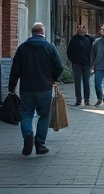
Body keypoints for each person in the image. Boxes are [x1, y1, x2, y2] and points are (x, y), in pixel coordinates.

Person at [8, 22, 63, 156]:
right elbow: (59, 67)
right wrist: (53, 80)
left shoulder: (22, 48)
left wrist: (12, 87)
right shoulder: (50, 48)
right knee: (44, 116)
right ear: (43, 34)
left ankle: (27, 135)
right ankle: (40, 145)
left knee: (26, 114)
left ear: (31, 33)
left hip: (26, 88)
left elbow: (15, 69)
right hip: (44, 88)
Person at [66, 23, 94, 107]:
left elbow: (93, 50)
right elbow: (69, 51)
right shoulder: (74, 39)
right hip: (76, 63)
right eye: (79, 28)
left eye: (82, 28)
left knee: (86, 81)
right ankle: (78, 99)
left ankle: (87, 99)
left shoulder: (89, 39)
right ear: (77, 30)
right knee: (77, 82)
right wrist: (73, 60)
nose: (81, 29)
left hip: (86, 63)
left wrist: (91, 61)